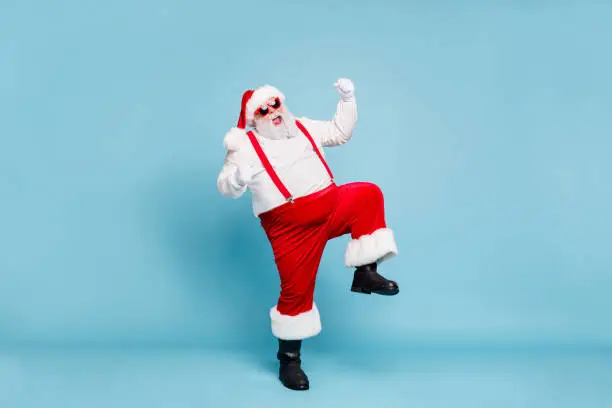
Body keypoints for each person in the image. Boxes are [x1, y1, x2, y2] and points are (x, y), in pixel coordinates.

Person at [216, 78, 399, 390]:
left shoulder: (301, 126)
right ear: (254, 118)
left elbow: (340, 133)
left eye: (276, 104)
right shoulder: (246, 146)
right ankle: (289, 361)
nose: (273, 111)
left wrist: (347, 100)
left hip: (330, 209)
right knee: (295, 294)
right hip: (291, 230)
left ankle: (365, 273)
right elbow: (225, 186)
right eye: (264, 109)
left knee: (366, 195)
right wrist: (237, 177)